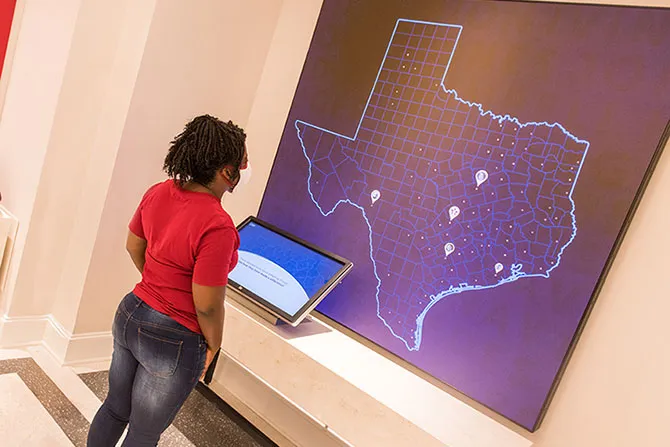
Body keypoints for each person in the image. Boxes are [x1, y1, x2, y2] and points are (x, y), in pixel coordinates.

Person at [87, 115, 249, 446]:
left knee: (115, 409)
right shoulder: (218, 225)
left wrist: (158, 283)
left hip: (131, 312)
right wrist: (214, 345)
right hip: (173, 338)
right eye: (242, 164)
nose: (244, 171)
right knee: (144, 431)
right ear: (226, 172)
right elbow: (206, 305)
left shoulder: (159, 192)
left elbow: (134, 245)